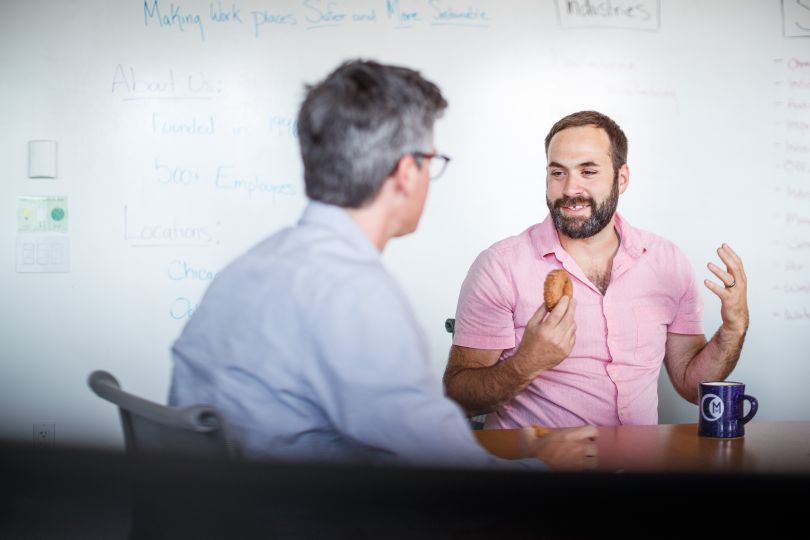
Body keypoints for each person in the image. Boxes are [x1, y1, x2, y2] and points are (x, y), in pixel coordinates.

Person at [168, 60, 597, 470]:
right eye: (431, 161)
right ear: (406, 171)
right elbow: (445, 475)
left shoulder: (249, 267)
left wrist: (516, 445)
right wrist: (544, 465)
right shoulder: (356, 295)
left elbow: (389, 433)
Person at [443, 110, 750, 430]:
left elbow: (690, 383)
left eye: (588, 171)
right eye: (558, 173)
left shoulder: (667, 262)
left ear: (622, 178)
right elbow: (457, 395)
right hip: (536, 467)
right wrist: (527, 364)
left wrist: (733, 329)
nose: (570, 189)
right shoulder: (500, 267)